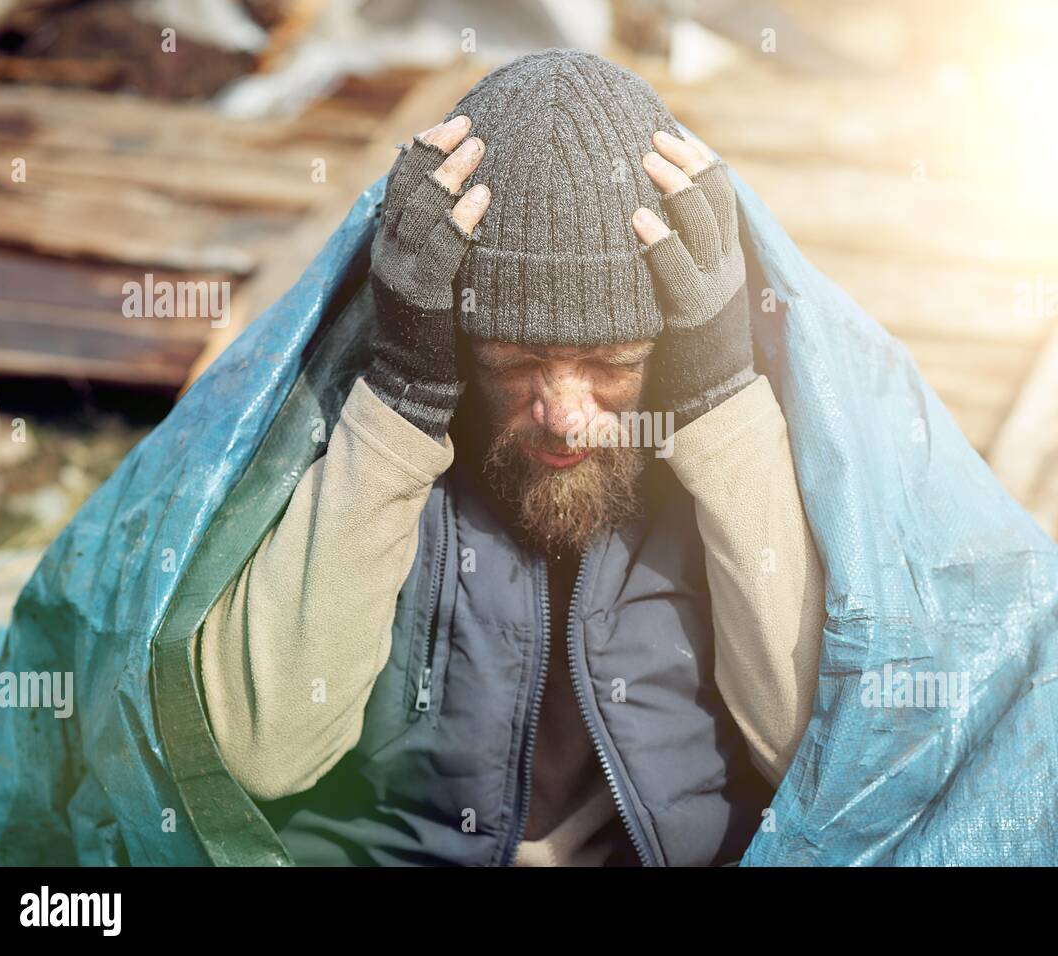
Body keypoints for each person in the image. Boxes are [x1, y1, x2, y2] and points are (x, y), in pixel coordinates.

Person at [195, 48, 826, 866]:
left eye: (612, 366)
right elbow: (260, 753)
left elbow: (817, 765)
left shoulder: (715, 465)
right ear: (456, 352)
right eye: (516, 365)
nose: (563, 419)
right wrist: (402, 403)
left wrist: (718, 404)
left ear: (671, 355)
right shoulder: (389, 441)